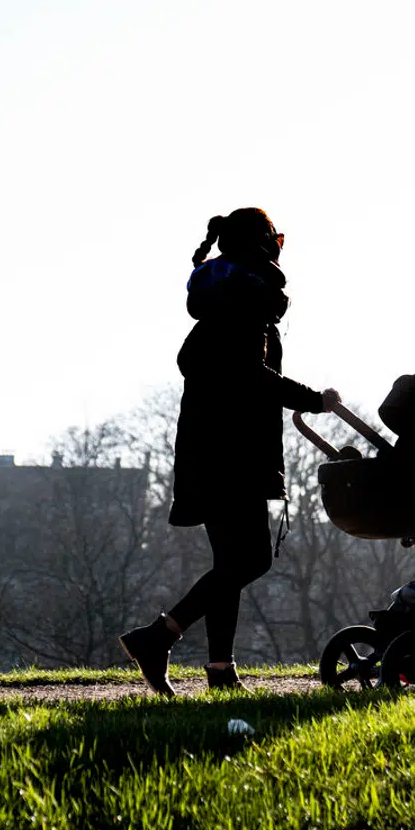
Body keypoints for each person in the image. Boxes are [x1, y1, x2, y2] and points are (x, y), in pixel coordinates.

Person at [119, 208, 339, 695]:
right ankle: (158, 636)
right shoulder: (243, 306)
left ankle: (220, 670)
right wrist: (315, 401)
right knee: (252, 560)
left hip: (209, 452)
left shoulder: (222, 306)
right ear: (264, 249)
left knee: (229, 564)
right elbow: (252, 378)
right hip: (231, 457)